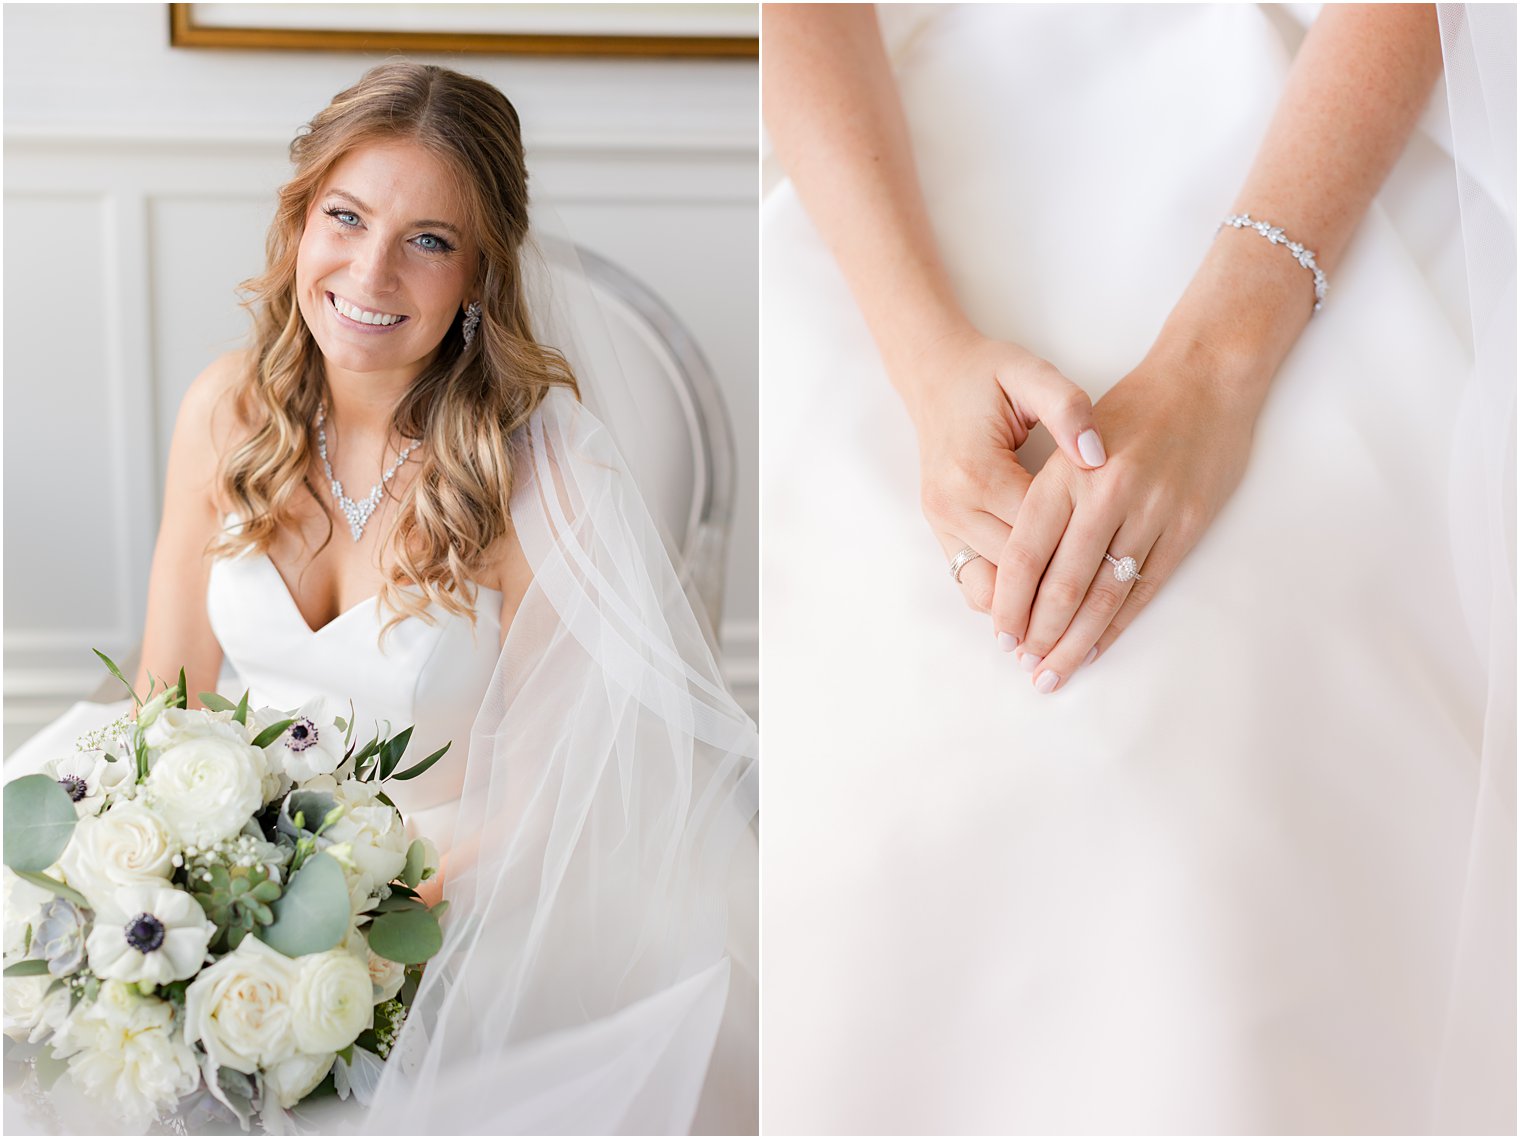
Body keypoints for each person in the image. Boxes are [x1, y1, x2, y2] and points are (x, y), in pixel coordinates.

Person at [762, 3, 1511, 1133]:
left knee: (1196, 758)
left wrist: (1214, 365)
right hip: (893, 159)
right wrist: (926, 364)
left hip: (1322, 117)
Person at [5, 61, 757, 1135]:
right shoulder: (227, 408)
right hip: (224, 872)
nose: (371, 271)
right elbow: (163, 695)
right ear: (299, 224)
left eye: (429, 240)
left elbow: (535, 801)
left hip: (450, 916)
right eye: (345, 217)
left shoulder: (544, 470)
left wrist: (341, 928)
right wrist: (188, 895)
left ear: (479, 273)